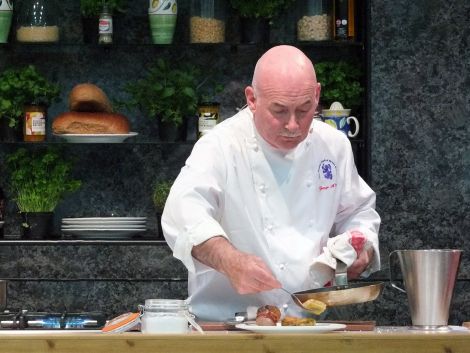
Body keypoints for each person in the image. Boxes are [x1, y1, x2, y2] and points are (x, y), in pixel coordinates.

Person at [162, 45, 380, 321]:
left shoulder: (333, 146)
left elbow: (358, 213)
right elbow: (183, 215)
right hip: (226, 327)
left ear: (317, 95)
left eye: (304, 110)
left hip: (307, 324)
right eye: (279, 111)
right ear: (252, 99)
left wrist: (361, 248)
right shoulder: (220, 146)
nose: (293, 125)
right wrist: (230, 261)